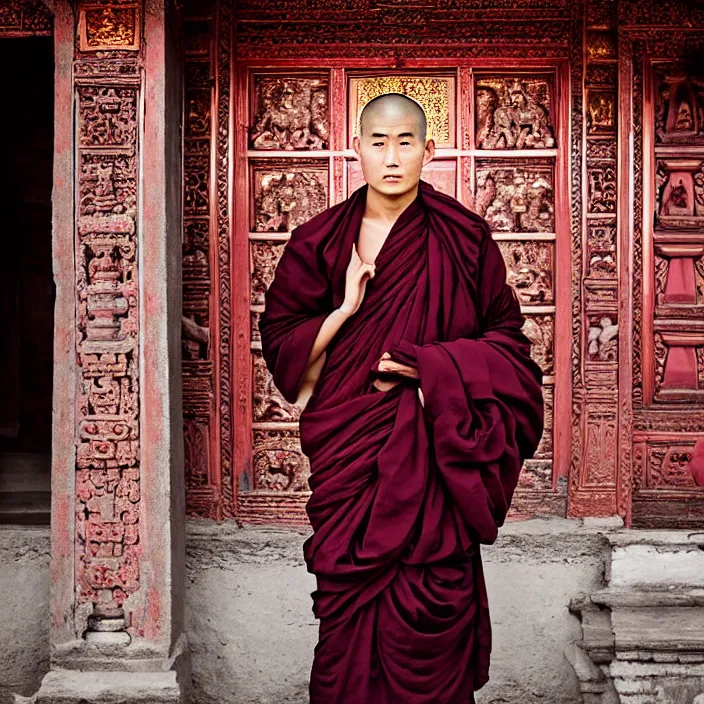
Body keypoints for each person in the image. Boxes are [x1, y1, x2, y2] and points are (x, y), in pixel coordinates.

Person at [258, 92, 545, 704]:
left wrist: (431, 368)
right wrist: (343, 311)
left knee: (436, 611)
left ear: (428, 151)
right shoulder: (320, 242)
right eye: (379, 143)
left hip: (434, 464)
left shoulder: (464, 239)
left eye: (405, 142)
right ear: (356, 149)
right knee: (346, 630)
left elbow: (510, 349)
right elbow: (282, 343)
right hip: (352, 460)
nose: (392, 157)